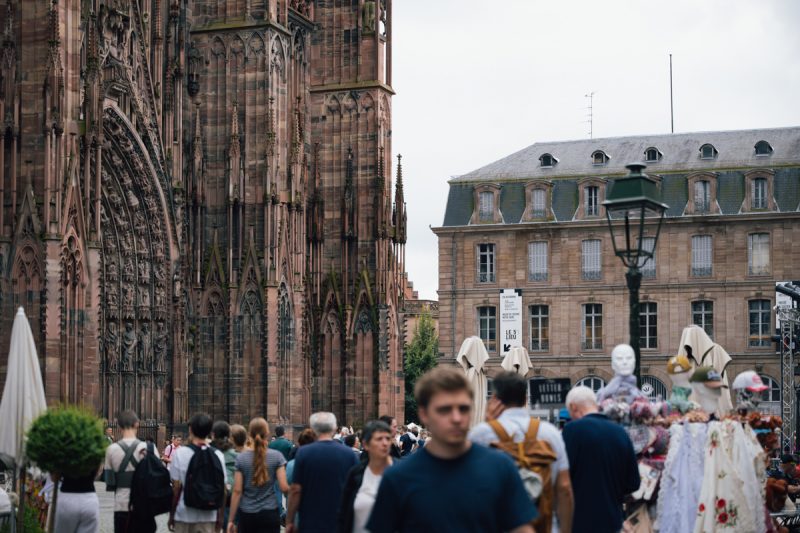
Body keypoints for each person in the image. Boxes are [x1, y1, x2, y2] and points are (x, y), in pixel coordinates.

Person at [366, 366, 537, 533]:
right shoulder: (398, 477)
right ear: (424, 414)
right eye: (445, 410)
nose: (456, 418)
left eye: (463, 409)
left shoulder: (500, 467)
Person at [469, 371, 573, 533]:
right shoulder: (551, 433)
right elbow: (565, 488)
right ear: (525, 398)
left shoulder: (481, 434)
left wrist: (486, 423)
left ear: (496, 398)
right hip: (543, 525)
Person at [562, 386, 640, 533]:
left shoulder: (571, 431)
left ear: (573, 407)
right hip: (613, 522)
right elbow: (633, 483)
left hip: (579, 523)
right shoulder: (620, 433)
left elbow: (562, 481)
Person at [286, 412, 359, 533]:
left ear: (313, 430)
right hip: (340, 520)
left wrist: (290, 520)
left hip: (311, 520)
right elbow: (357, 489)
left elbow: (295, 490)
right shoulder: (349, 454)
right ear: (335, 429)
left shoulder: (304, 453)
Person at [227, 418, 289, 533]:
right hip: (270, 512)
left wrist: (231, 520)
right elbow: (284, 487)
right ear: (267, 433)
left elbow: (237, 491)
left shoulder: (242, 458)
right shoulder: (277, 457)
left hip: (247, 513)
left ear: (249, 434)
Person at [168, 413, 227, 533]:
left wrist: (172, 514)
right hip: (208, 515)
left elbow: (176, 487)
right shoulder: (218, 455)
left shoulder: (181, 453)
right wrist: (220, 518)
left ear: (190, 429)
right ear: (210, 431)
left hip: (184, 513)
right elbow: (223, 489)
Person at [338, 420, 394, 533]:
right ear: (365, 444)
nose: (385, 443)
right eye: (379, 439)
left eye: (388, 438)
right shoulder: (356, 473)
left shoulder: (401, 473)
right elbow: (343, 514)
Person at [103, 409, 149, 533]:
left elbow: (110, 482)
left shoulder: (111, 450)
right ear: (137, 424)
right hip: (143, 506)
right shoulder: (149, 449)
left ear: (118, 426)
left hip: (121, 505)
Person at [212, 420, 238, 526]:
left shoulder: (209, 452)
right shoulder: (236, 455)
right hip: (231, 499)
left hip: (211, 499)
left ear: (213, 435)